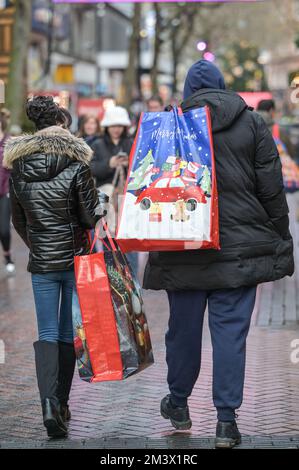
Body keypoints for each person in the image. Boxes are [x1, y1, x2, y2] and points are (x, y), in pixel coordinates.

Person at [143, 59, 294, 448]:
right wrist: (280, 234)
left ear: (188, 90)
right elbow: (271, 188)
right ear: (224, 86)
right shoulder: (252, 123)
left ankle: (178, 402)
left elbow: (150, 182)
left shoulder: (170, 124)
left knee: (183, 332)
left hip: (184, 245)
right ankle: (226, 422)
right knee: (230, 335)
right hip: (239, 250)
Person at [3, 96, 101, 438]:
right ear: (61, 122)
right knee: (65, 334)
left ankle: (48, 404)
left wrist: (38, 245)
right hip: (73, 258)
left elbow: (18, 220)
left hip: (43, 261)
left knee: (46, 333)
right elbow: (89, 216)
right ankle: (60, 402)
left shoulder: (18, 168)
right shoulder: (77, 164)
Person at [90, 106, 139, 275]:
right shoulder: (97, 144)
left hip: (127, 202)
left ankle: (131, 280)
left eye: (119, 125)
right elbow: (91, 169)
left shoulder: (131, 142)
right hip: (106, 200)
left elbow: (142, 169)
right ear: (107, 126)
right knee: (107, 241)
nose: (116, 129)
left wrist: (129, 164)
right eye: (113, 125)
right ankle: (112, 280)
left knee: (129, 242)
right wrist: (109, 164)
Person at [0, 108, 15, 274]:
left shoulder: (9, 142)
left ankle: (8, 255)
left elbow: (16, 168)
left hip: (4, 192)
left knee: (4, 229)